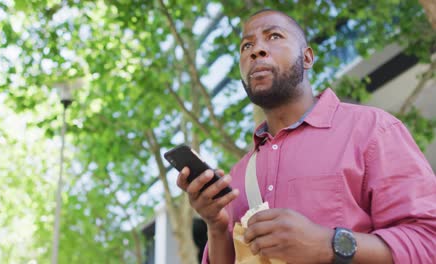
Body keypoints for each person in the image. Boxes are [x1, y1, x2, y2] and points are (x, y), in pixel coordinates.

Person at [176, 9, 436, 264]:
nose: (256, 50)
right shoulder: (239, 175)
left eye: (274, 36)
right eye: (246, 46)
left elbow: (428, 242)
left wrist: (329, 244)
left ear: (308, 57)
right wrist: (217, 228)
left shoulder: (373, 129)